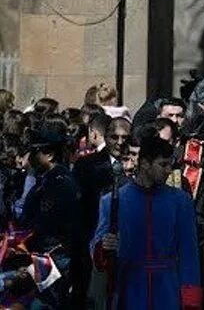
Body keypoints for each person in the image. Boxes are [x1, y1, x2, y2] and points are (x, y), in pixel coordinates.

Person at [91, 137, 201, 310]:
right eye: (162, 165)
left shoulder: (181, 201)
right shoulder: (112, 201)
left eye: (170, 165)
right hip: (129, 291)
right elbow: (97, 247)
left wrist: (190, 299)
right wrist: (104, 246)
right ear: (144, 164)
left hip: (168, 291)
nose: (168, 171)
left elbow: (189, 253)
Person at [73, 117, 132, 308]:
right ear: (106, 136)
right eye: (115, 137)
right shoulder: (86, 165)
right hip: (91, 240)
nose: (120, 142)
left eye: (125, 137)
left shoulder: (137, 166)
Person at [20, 127, 82, 308]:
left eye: (35, 151)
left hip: (54, 254)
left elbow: (51, 222)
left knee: (47, 303)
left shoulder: (59, 182)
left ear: (49, 154)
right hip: (45, 252)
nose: (30, 157)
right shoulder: (48, 178)